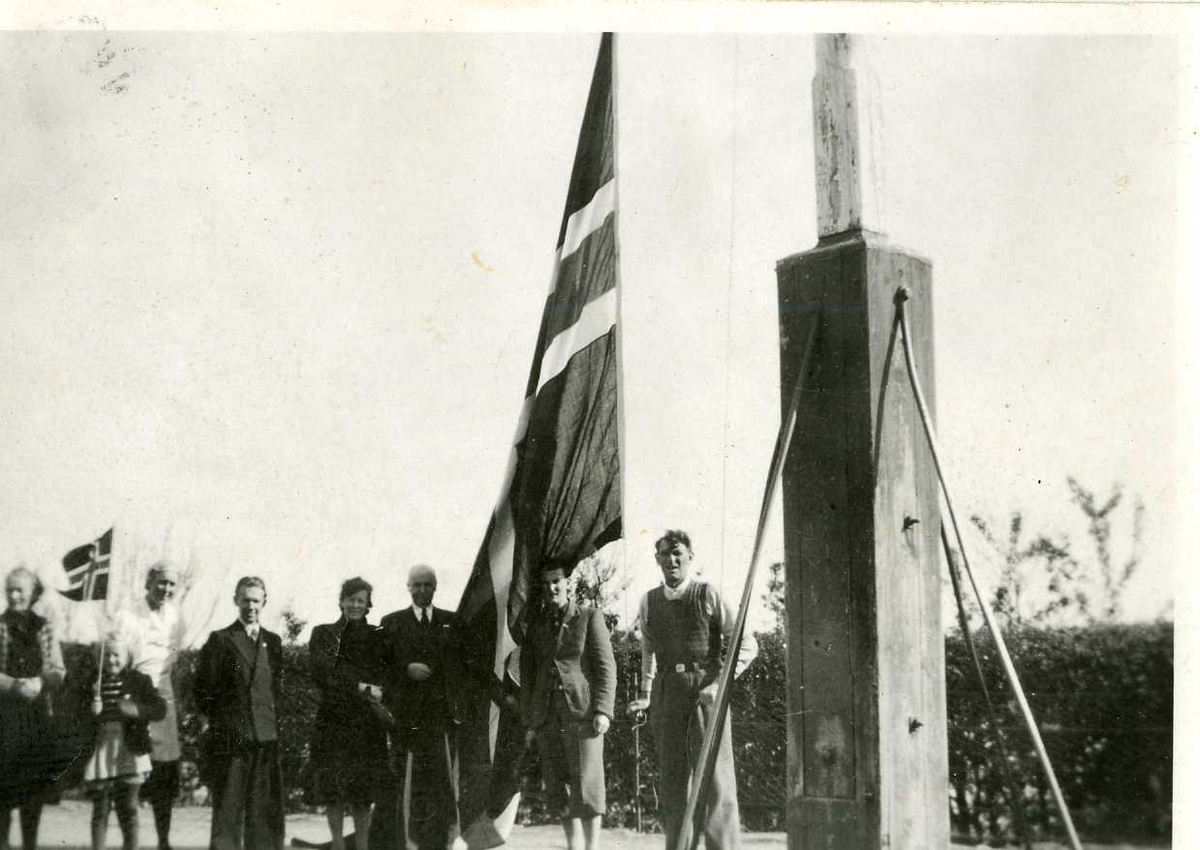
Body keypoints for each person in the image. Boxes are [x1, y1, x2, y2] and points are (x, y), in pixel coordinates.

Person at [628, 531, 757, 850]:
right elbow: (648, 651)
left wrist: (720, 684)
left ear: (689, 557)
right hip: (667, 693)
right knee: (673, 780)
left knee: (715, 780)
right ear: (656, 559)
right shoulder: (649, 601)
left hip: (705, 693)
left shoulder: (708, 593)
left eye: (677, 553)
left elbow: (748, 644)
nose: (671, 560)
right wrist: (646, 693)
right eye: (664, 554)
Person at [520, 563, 615, 850]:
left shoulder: (588, 616)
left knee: (588, 785)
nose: (552, 588)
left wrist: (603, 710)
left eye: (557, 581)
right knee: (558, 787)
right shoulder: (536, 625)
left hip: (582, 714)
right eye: (547, 583)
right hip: (547, 715)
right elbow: (528, 675)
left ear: (567, 583)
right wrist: (531, 720)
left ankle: (591, 847)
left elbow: (605, 667)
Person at [374, 565, 462, 850]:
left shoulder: (452, 621)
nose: (422, 590)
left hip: (440, 721)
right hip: (406, 721)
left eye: (428, 585)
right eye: (417, 585)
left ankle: (440, 843)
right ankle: (406, 843)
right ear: (408, 586)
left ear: (435, 587)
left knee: (441, 786)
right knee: (407, 786)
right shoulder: (391, 623)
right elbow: (380, 670)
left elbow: (464, 667)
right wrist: (405, 669)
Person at [194, 576, 285, 850]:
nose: (250, 606)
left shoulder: (273, 641)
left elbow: (274, 690)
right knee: (228, 814)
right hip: (232, 742)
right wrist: (225, 724)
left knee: (263, 815)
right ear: (235, 600)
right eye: (245, 599)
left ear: (264, 602)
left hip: (265, 740)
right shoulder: (220, 640)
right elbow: (203, 690)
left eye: (256, 600)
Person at [306, 577, 389, 850]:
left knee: (363, 794)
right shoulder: (324, 634)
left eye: (360, 601)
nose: (355, 605)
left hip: (367, 726)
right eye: (350, 599)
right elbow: (322, 674)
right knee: (333, 792)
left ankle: (362, 846)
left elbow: (385, 677)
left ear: (368, 606)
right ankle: (339, 845)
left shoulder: (379, 636)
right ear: (341, 601)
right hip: (333, 723)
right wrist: (361, 686)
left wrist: (367, 688)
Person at [114, 562, 187, 850]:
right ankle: (128, 842)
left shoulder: (176, 617)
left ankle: (163, 841)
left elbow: (174, 657)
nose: (166, 589)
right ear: (149, 581)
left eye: (171, 584)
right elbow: (118, 659)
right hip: (135, 692)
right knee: (131, 771)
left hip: (164, 694)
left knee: (164, 772)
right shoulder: (127, 614)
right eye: (161, 582)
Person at [78, 633, 167, 850]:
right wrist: (90, 710)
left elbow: (160, 708)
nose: (111, 660)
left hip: (130, 748)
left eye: (116, 655)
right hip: (101, 748)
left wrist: (136, 710)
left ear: (126, 656)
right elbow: (75, 713)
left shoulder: (138, 680)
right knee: (100, 809)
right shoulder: (92, 682)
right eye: (106, 655)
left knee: (128, 808)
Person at [0, 566, 65, 850]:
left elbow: (58, 670)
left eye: (20, 590)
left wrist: (41, 682)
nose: (14, 596)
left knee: (32, 795)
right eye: (9, 590)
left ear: (32, 593)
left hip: (37, 721)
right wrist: (14, 686)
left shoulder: (45, 627)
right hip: (3, 721)